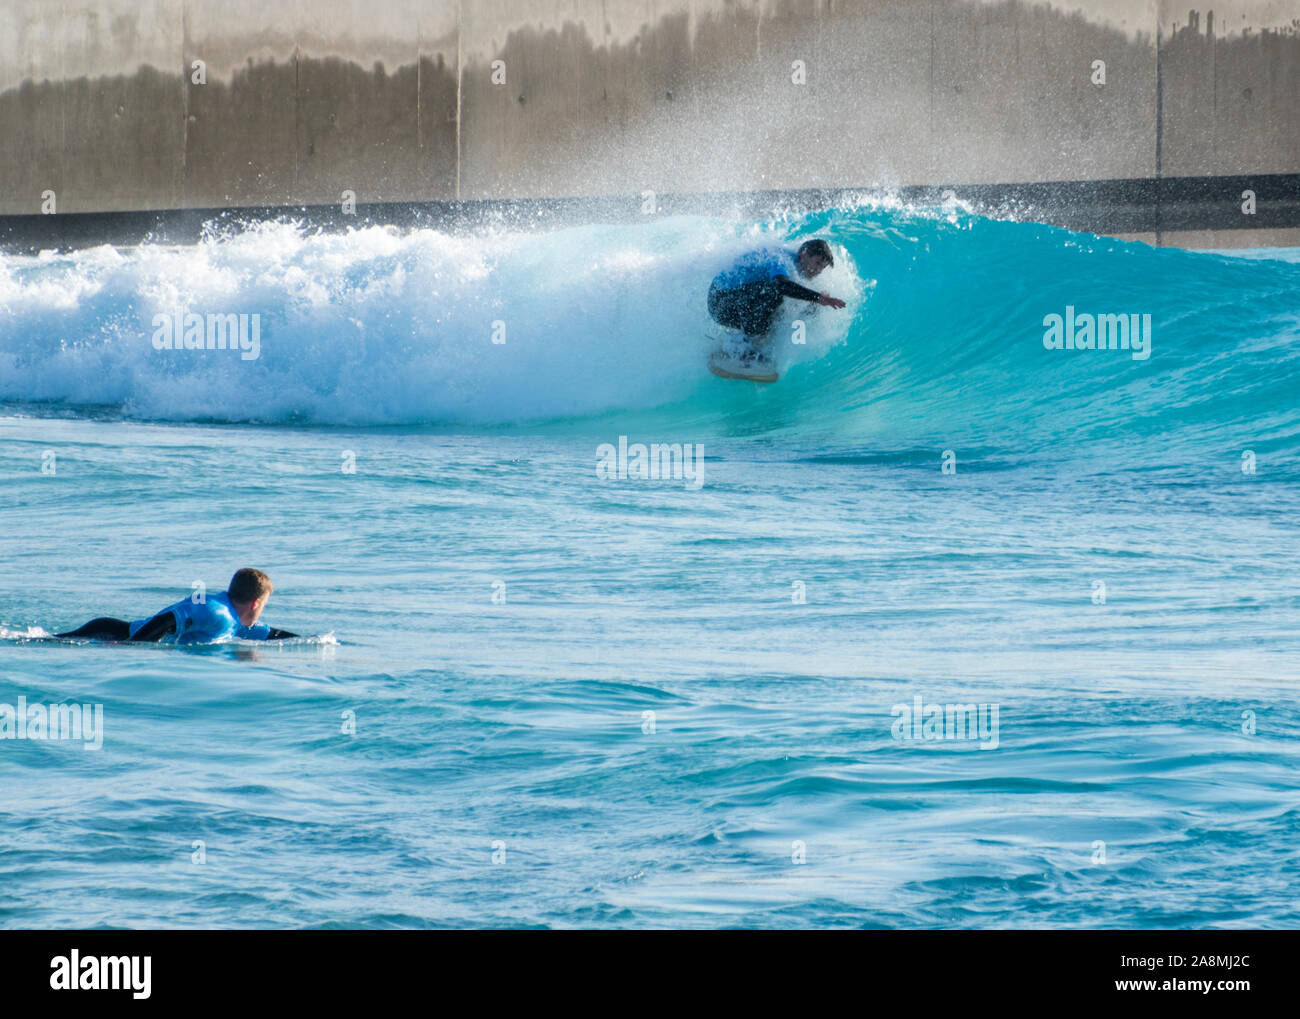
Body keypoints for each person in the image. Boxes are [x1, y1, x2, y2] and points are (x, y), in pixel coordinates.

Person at [56, 567, 298, 643]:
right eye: (265, 603)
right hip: (105, 633)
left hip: (117, 636)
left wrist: (325, 642)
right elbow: (170, 618)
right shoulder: (216, 611)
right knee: (47, 643)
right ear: (256, 602)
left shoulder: (239, 623)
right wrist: (133, 649)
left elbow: (273, 634)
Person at [708, 238, 847, 360]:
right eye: (817, 264)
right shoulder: (782, 259)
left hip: (736, 303)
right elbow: (780, 285)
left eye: (822, 268)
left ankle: (736, 343)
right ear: (804, 254)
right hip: (720, 302)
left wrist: (814, 301)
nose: (818, 271)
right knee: (775, 292)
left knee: (794, 305)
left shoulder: (796, 267)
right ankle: (741, 347)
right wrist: (817, 297)